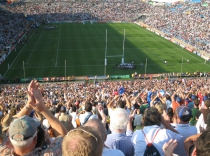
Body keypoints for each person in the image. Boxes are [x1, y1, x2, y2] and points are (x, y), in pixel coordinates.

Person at [0, 80, 68, 156]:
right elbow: (65, 137)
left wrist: (29, 104)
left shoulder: (3, 151)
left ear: (9, 138)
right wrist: (43, 110)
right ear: (35, 139)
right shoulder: (48, 154)